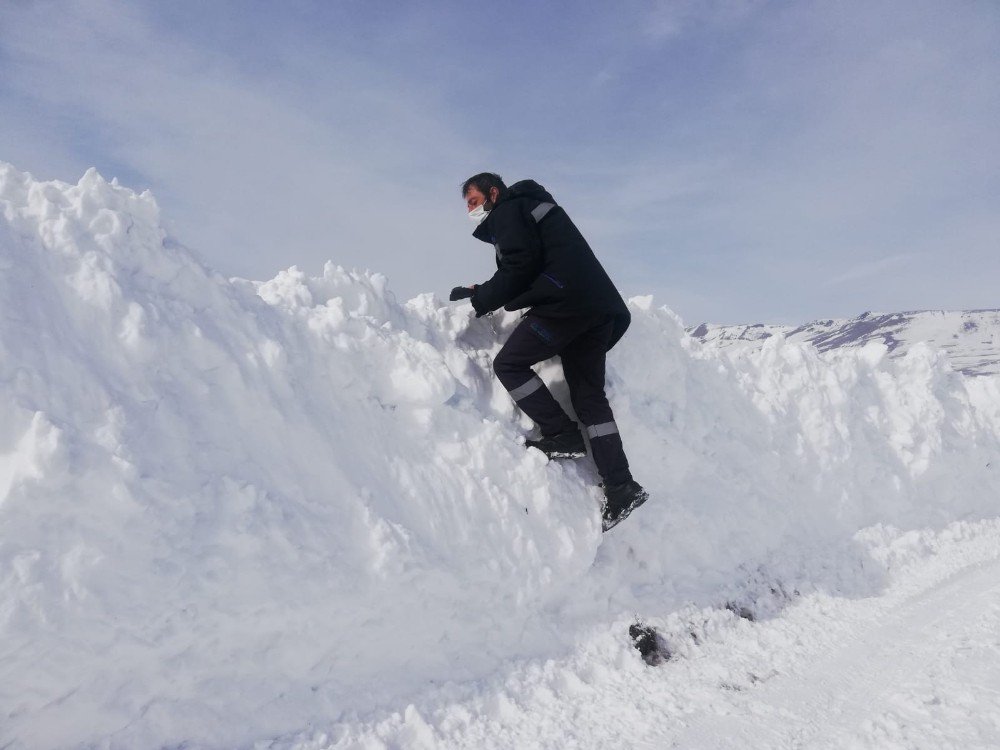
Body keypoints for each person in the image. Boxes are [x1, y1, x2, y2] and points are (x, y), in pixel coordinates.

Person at [450, 172, 648, 531]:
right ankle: (622, 487)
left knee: (509, 363)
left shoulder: (509, 210)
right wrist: (488, 288)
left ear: (494, 193)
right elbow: (527, 265)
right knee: (590, 397)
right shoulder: (533, 208)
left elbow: (518, 267)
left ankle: (562, 433)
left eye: (474, 201)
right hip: (596, 309)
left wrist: (481, 300)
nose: (471, 210)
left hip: (566, 306)